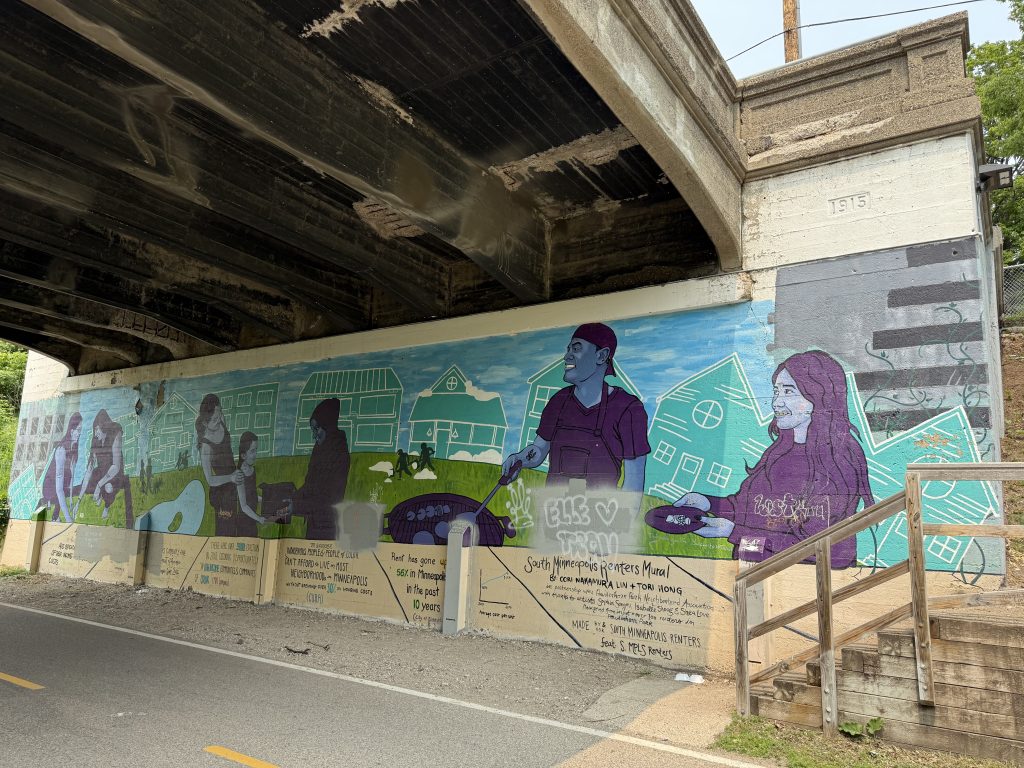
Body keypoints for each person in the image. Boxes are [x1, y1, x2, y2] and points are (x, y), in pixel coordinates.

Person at [646, 351, 874, 568]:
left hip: (805, 583)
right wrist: (707, 503)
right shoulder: (779, 452)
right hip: (753, 572)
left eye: (788, 392)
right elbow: (750, 508)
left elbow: (811, 546)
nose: (776, 402)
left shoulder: (838, 462)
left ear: (818, 396)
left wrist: (733, 532)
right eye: (776, 391)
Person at [502, 322, 650, 496]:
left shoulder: (628, 409)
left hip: (600, 517)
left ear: (601, 356)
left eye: (576, 349)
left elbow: (633, 482)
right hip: (554, 514)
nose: (567, 356)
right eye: (568, 349)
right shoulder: (559, 402)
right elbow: (539, 449)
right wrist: (520, 459)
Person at [292, 398, 350, 540]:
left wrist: (296, 506)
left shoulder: (339, 454)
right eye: (313, 430)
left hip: (327, 526)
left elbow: (328, 499)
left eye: (316, 429)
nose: (314, 435)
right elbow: (309, 485)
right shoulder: (319, 450)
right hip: (313, 522)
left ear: (328, 426)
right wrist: (290, 499)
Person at [195, 393, 242, 536]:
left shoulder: (221, 420)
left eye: (220, 412)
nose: (219, 418)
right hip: (221, 491)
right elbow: (210, 480)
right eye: (214, 419)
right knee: (225, 531)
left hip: (234, 482)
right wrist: (231, 478)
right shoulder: (206, 447)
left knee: (238, 525)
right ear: (205, 423)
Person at [79, 409, 133, 528]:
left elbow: (116, 466)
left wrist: (99, 485)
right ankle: (100, 495)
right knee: (90, 481)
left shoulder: (115, 435)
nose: (95, 433)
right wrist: (79, 499)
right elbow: (89, 469)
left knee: (108, 488)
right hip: (101, 471)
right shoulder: (95, 440)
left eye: (97, 429)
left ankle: (107, 506)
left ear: (104, 427)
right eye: (94, 430)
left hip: (114, 473)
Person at [39, 412, 83, 523]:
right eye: (78, 430)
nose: (79, 433)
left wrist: (71, 499)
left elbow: (72, 477)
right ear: (72, 431)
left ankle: (55, 516)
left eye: (80, 430)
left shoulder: (74, 450)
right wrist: (68, 519)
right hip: (50, 486)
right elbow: (59, 488)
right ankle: (54, 513)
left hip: (61, 485)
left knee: (67, 476)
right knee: (63, 482)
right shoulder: (61, 450)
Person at [234, 431, 267, 537]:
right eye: (252, 451)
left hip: (252, 520)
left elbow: (252, 495)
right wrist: (259, 518)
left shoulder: (252, 470)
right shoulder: (239, 474)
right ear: (243, 455)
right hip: (244, 523)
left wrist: (264, 499)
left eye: (256, 450)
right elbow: (243, 506)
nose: (255, 454)